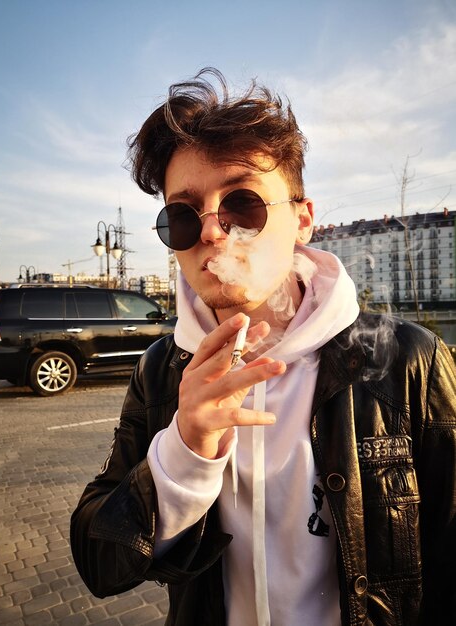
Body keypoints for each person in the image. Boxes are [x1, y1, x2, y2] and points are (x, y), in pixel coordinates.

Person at [70, 68, 456, 626]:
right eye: (183, 216)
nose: (211, 232)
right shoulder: (163, 369)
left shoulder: (406, 360)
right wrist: (185, 447)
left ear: (302, 220)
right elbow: (99, 562)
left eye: (242, 205)